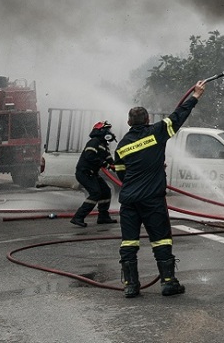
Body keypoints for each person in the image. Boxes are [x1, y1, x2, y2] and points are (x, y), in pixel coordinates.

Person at [113, 80, 205, 298]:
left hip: (129, 201)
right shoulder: (157, 132)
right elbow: (178, 116)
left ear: (128, 122)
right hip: (152, 200)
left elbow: (122, 174)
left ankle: (131, 286)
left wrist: (147, 169)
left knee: (129, 242)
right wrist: (196, 95)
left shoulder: (122, 146)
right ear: (147, 120)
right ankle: (168, 282)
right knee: (161, 239)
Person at [70, 120, 118, 227]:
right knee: (95, 193)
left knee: (106, 191)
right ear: (100, 131)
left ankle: (103, 217)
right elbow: (89, 156)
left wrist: (116, 166)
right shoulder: (94, 142)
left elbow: (109, 160)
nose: (109, 132)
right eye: (106, 130)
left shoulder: (104, 146)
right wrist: (105, 164)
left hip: (93, 174)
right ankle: (78, 217)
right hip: (84, 173)